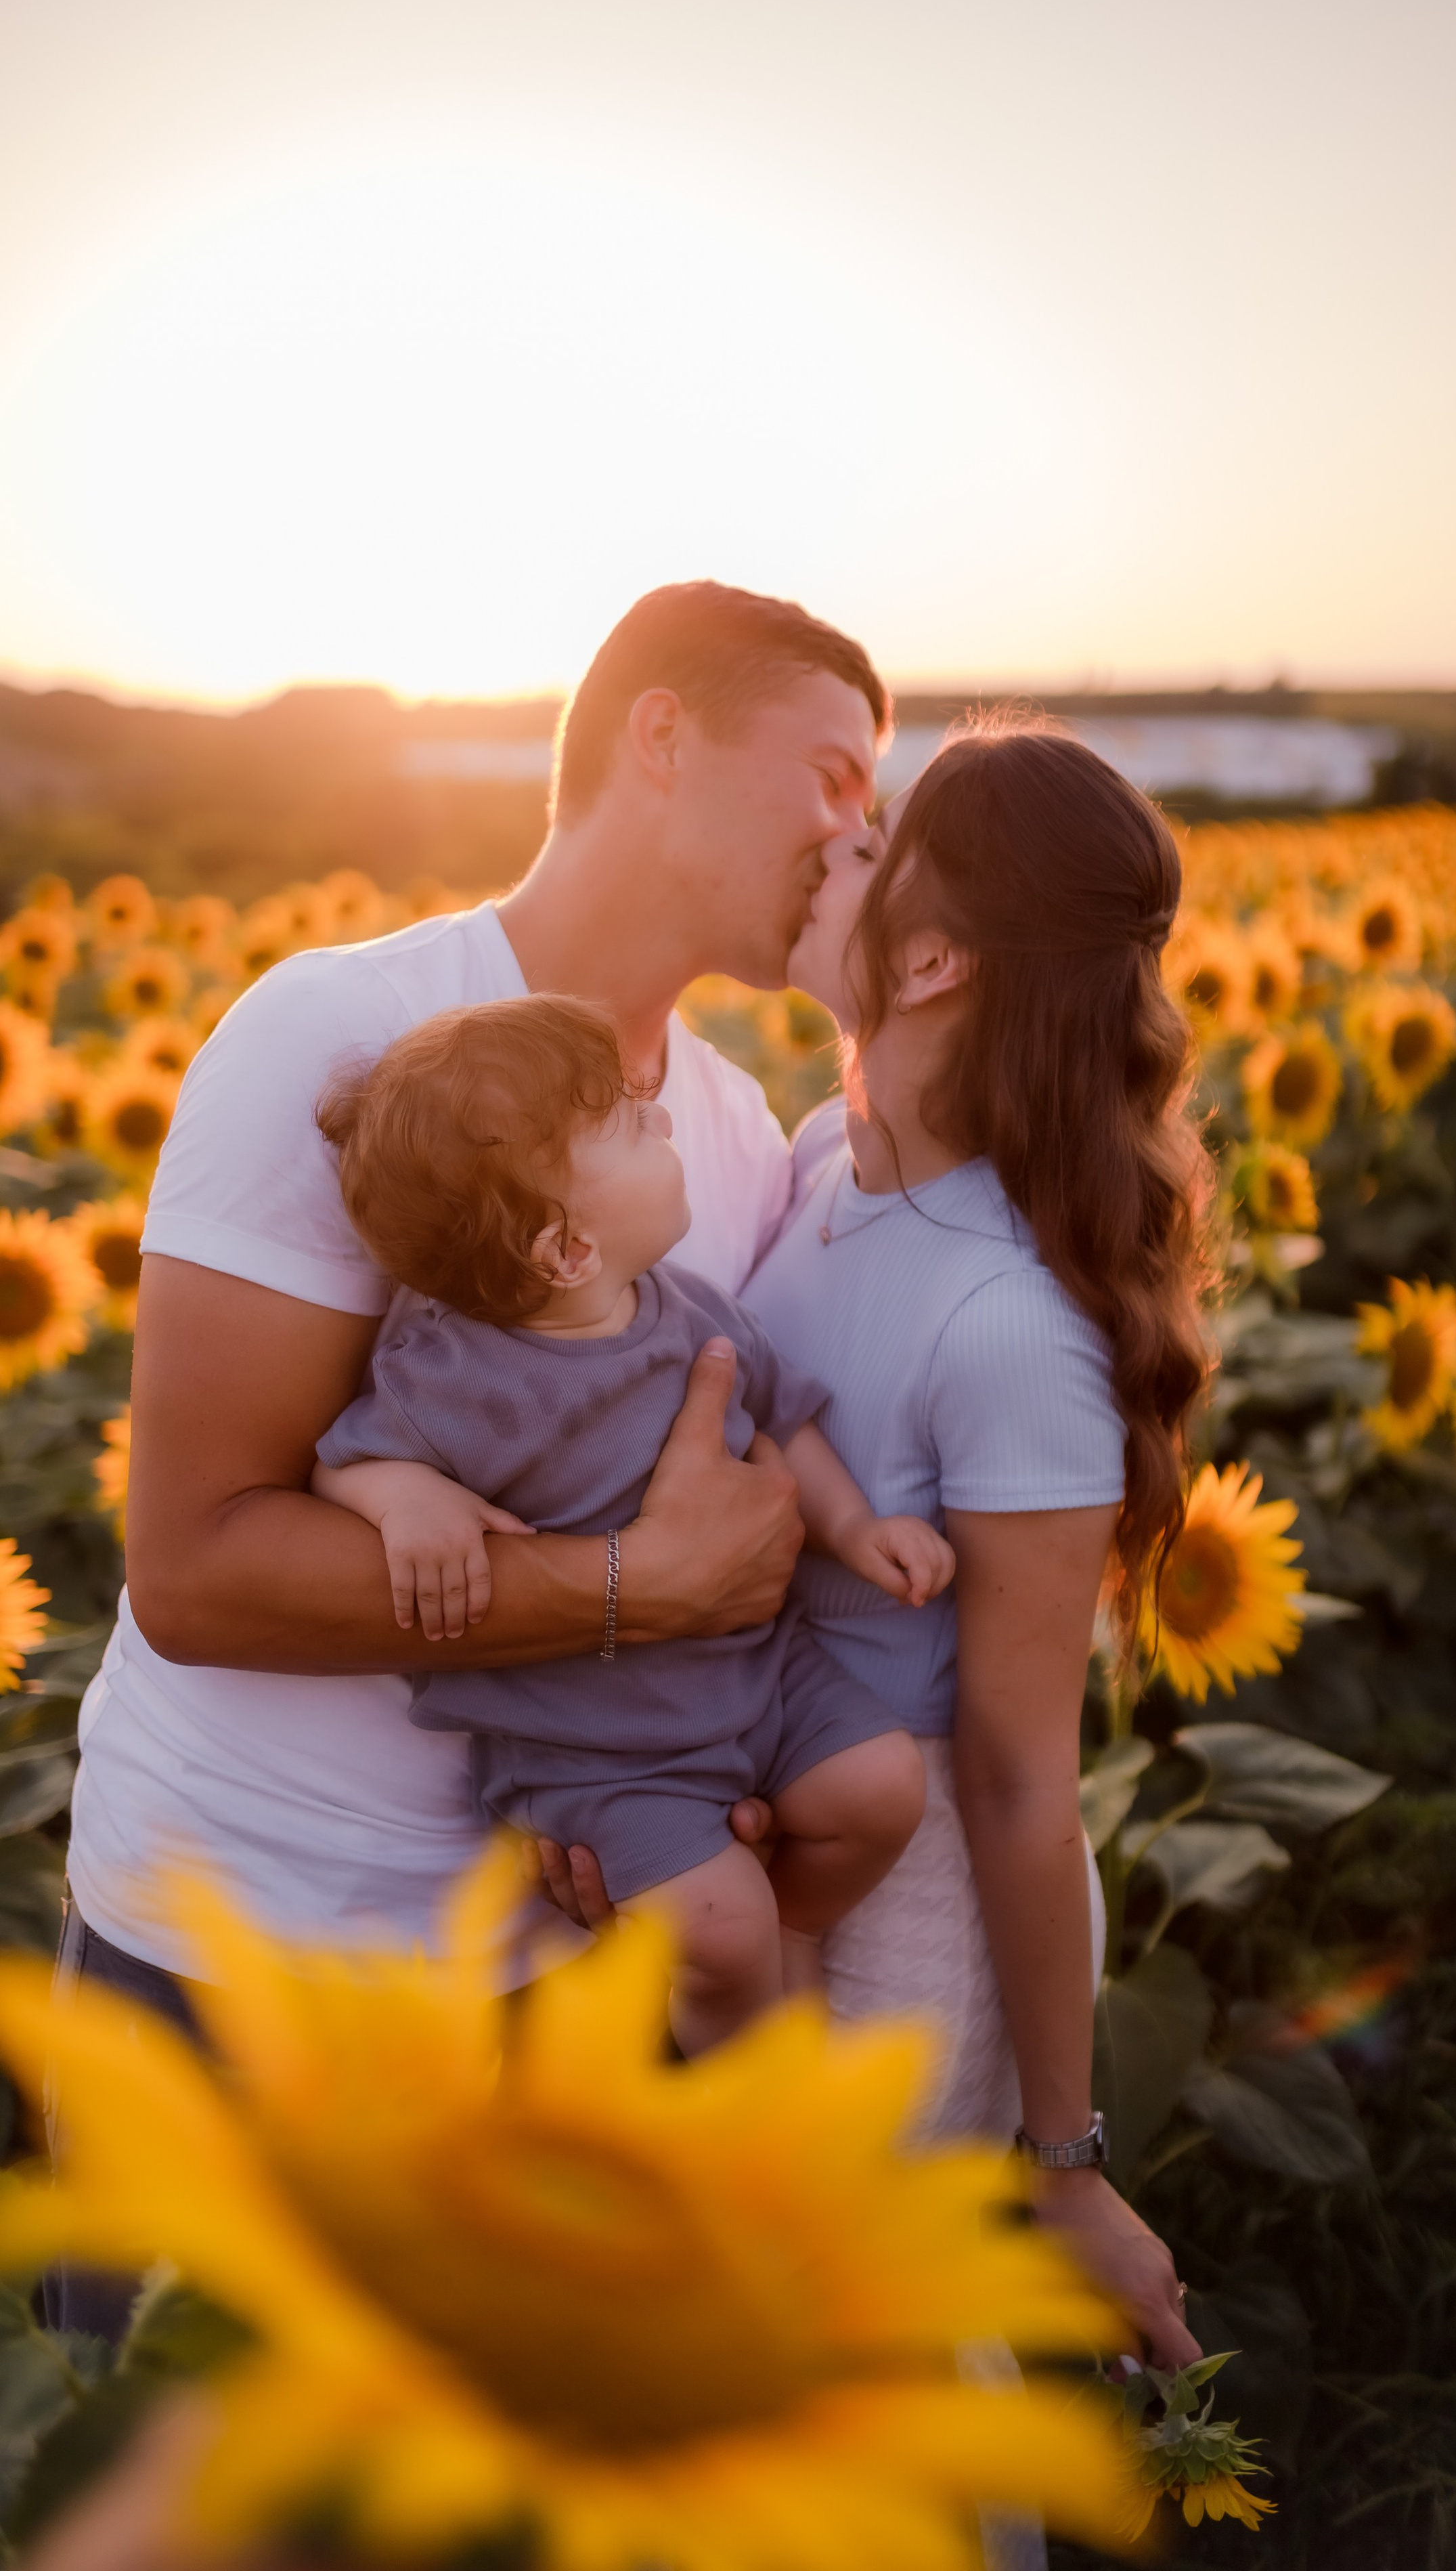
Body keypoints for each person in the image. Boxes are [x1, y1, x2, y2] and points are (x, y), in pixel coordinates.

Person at [61, 582, 886, 2018]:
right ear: (662, 736)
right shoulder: (342, 1036)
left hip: (551, 1959)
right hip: (247, 1940)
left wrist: (714, 1788)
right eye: (832, 776)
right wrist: (636, 1595)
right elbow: (194, 1570)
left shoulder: (736, 1136)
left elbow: (699, 1474)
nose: (856, 836)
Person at [562, 724, 1208, 2364]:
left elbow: (1016, 1777)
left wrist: (1063, 2164)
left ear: (928, 958)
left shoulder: (1007, 1323)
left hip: (895, 1900)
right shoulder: (813, 1156)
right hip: (755, 1834)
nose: (820, 850)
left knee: (864, 2376)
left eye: (864, 843)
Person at [308, 991, 937, 2052]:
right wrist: (406, 1498)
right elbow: (349, 1461)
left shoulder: (688, 1309)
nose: (667, 1122)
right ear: (564, 1248)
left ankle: (797, 1927)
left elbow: (783, 1417)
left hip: (758, 1674)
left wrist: (855, 1528)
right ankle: (740, 2063)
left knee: (882, 1788)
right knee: (716, 1932)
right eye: (634, 1127)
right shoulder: (455, 1376)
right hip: (597, 1750)